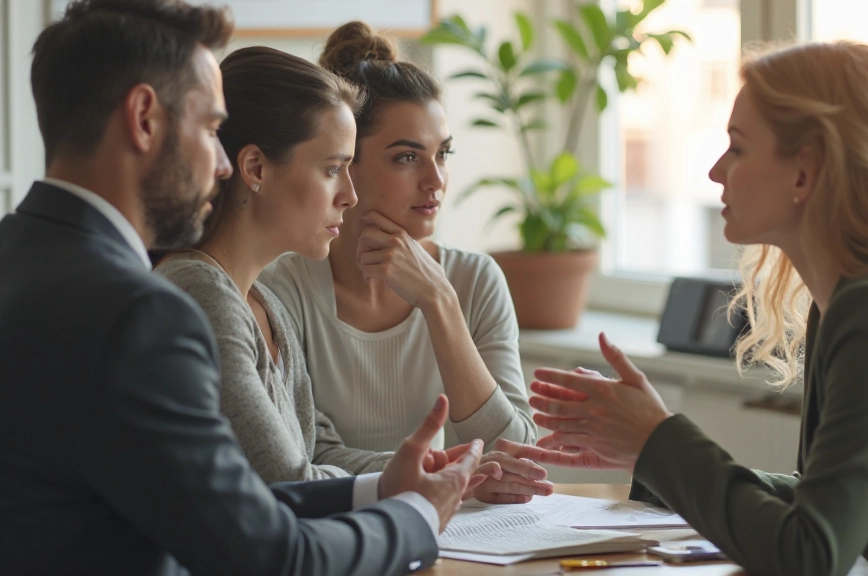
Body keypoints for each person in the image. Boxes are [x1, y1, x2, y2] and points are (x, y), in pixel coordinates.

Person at [0, 1, 484, 574]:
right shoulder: (140, 314)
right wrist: (416, 518)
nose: (223, 164)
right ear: (144, 118)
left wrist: (377, 489)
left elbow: (219, 508)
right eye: (209, 128)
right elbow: (270, 555)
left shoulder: (19, 255)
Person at [507, 42, 868, 576]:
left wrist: (659, 440)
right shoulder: (856, 302)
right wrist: (650, 456)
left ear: (804, 174)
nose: (715, 171)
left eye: (736, 147)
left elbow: (808, 555)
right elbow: (820, 504)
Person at [155, 45, 544, 500]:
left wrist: (443, 470)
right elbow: (290, 482)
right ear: (255, 168)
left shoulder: (263, 304)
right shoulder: (213, 292)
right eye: (333, 169)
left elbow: (306, 454)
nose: (349, 195)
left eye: (444, 154)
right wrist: (416, 486)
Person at [260, 21, 550, 503]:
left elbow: (519, 456)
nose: (436, 180)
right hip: (341, 527)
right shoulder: (282, 287)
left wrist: (439, 303)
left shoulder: (475, 280)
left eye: (443, 153)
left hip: (456, 534)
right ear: (345, 160)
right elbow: (307, 454)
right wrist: (449, 470)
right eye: (407, 158)